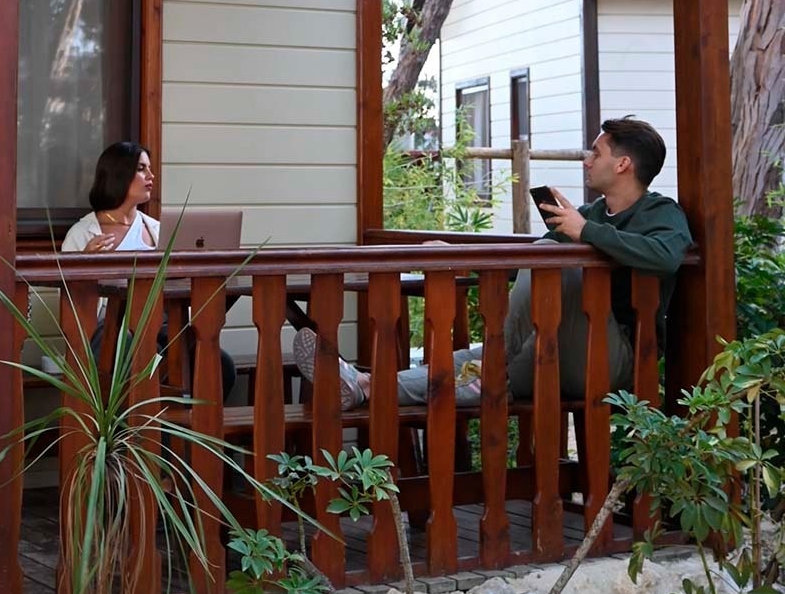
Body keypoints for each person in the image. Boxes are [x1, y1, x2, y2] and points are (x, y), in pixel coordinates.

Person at [294, 116, 692, 410]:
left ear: (623, 164)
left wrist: (585, 232)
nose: (588, 160)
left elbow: (666, 256)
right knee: (469, 366)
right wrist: (458, 256)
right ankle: (362, 385)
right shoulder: (590, 212)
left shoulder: (660, 213)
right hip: (561, 353)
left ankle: (495, 360)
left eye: (597, 152)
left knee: (549, 261)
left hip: (614, 361)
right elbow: (523, 261)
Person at [62, 141, 236, 400]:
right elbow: (70, 300)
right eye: (142, 169)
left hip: (162, 324)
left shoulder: (157, 230)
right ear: (120, 174)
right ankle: (147, 433)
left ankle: (193, 432)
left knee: (219, 363)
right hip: (109, 329)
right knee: (144, 356)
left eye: (150, 169)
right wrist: (87, 265)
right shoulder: (81, 234)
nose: (151, 176)